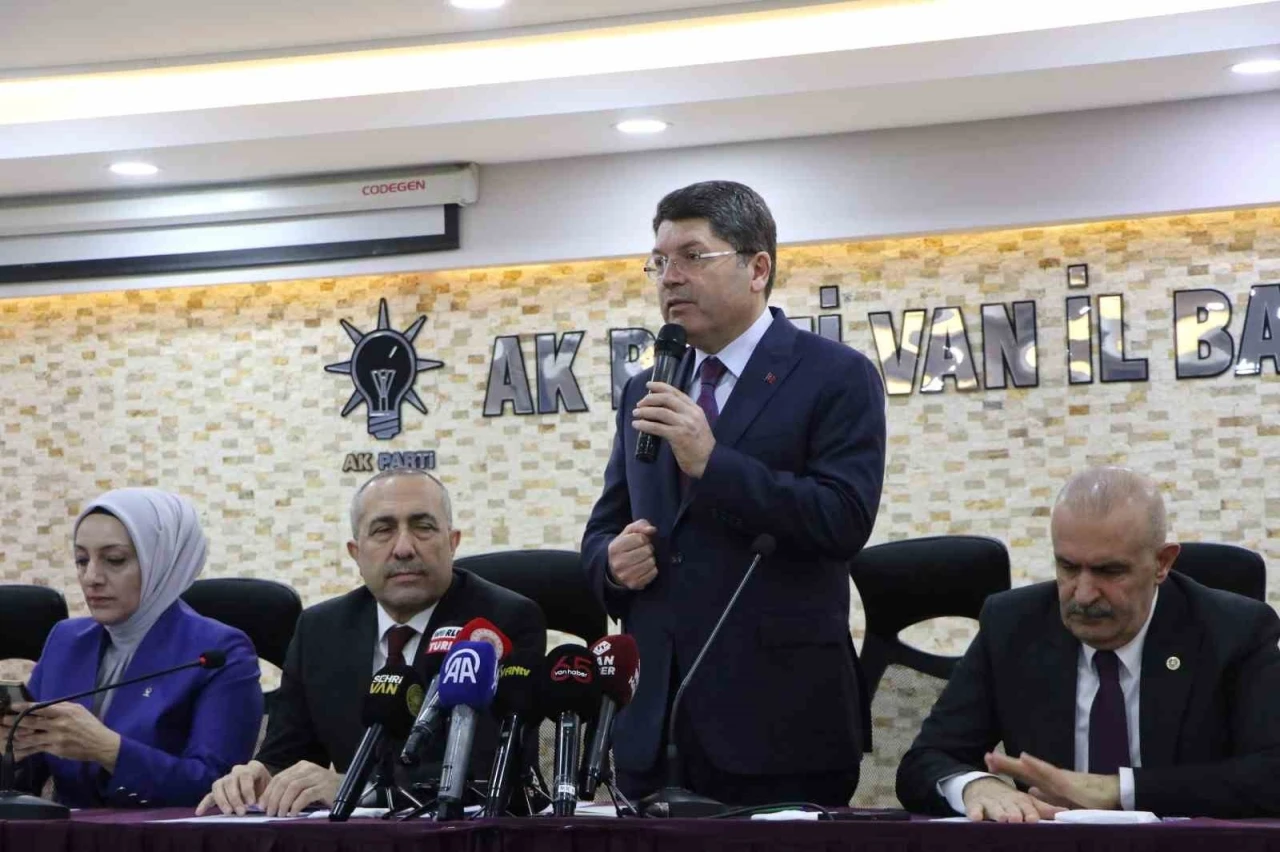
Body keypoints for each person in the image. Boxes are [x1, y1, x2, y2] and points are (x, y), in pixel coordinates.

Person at [582, 180, 886, 807]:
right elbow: (604, 528)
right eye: (659, 261)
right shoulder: (647, 387)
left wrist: (713, 463)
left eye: (693, 256)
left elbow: (843, 519)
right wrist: (611, 564)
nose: (670, 277)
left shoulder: (836, 375)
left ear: (758, 269)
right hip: (655, 724)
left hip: (780, 723)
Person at [897, 466, 1280, 820]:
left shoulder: (1234, 631)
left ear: (1162, 563)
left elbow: (1271, 772)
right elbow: (925, 761)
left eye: (1109, 571)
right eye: (1067, 567)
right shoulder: (1012, 626)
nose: (1082, 594)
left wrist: (1117, 791)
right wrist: (974, 786)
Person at [198, 468, 546, 817]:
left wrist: (357, 788)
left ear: (452, 542)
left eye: (423, 527)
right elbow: (288, 755)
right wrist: (261, 775)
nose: (404, 548)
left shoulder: (503, 620)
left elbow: (489, 770)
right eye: (383, 530)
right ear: (356, 552)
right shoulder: (319, 630)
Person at [2, 488, 262, 808]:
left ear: (162, 562)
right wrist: (9, 750)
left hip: (165, 833)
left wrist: (108, 750)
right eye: (82, 560)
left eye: (114, 560)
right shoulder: (66, 641)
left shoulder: (218, 652)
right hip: (67, 832)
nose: (91, 577)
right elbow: (26, 778)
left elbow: (216, 784)